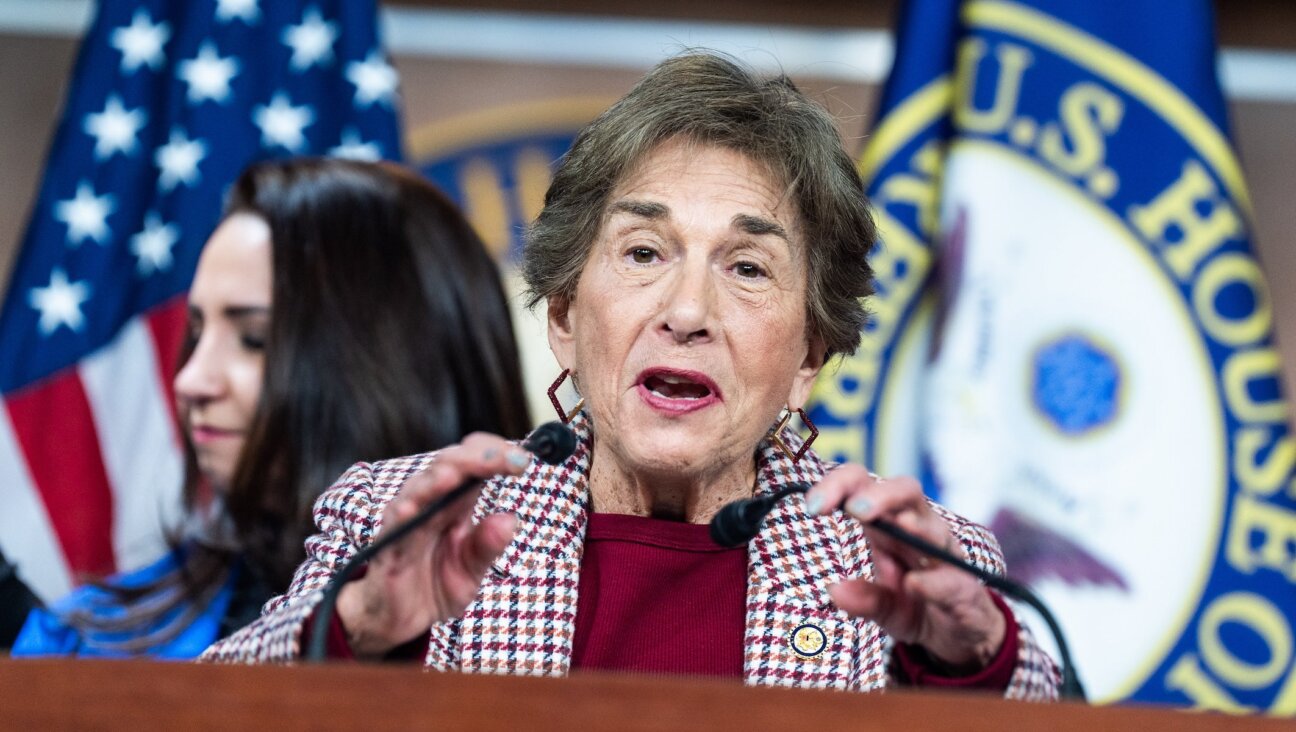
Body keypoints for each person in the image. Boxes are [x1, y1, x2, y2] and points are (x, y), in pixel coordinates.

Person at [202, 54, 1062, 699]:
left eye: (749, 268)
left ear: (809, 354)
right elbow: (192, 714)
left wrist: (972, 663)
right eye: (644, 252)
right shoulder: (403, 525)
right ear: (567, 317)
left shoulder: (915, 575)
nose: (687, 310)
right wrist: (356, 632)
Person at [11, 158, 531, 658]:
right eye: (195, 333)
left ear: (394, 364)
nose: (191, 380)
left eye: (255, 339)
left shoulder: (560, 632)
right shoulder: (81, 641)